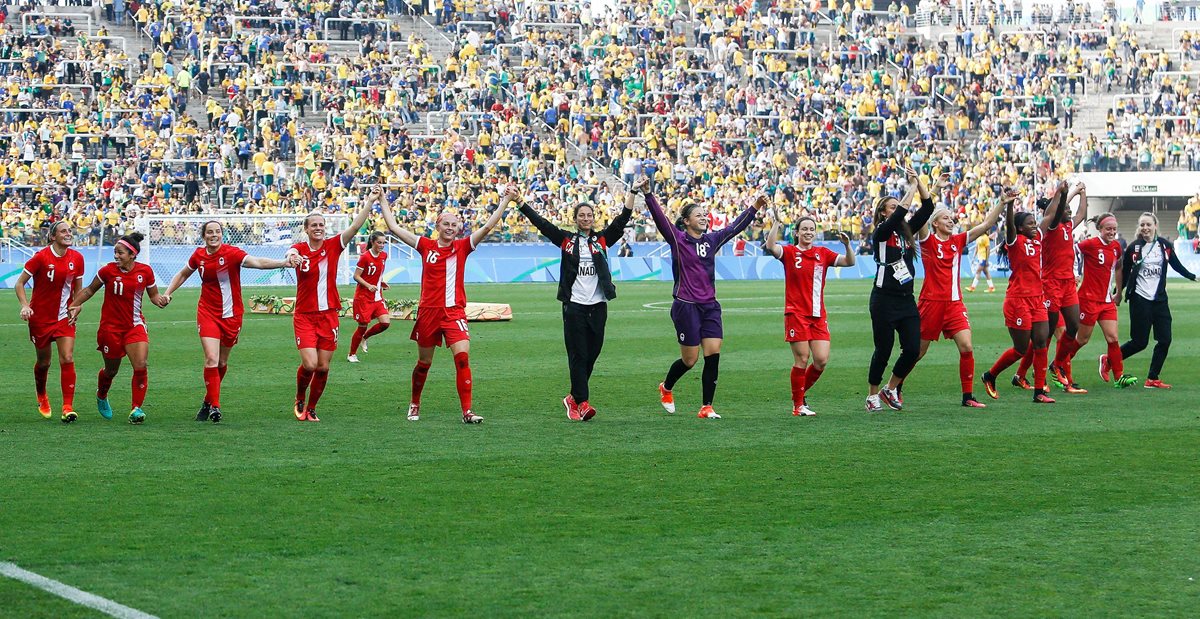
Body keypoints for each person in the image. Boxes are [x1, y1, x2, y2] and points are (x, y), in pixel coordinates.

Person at [379, 188, 513, 424]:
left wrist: (505, 201)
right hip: (429, 313)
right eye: (446, 224)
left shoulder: (462, 247)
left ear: (459, 228)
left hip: (453, 313)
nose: (450, 227)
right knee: (424, 363)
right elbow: (394, 228)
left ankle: (467, 411)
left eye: (454, 224)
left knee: (462, 359)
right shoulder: (425, 245)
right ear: (438, 226)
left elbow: (487, 227)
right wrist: (381, 199)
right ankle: (414, 403)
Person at [516, 179, 638, 421]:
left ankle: (572, 397)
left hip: (598, 305)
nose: (585, 218)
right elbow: (542, 224)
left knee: (592, 354)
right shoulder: (566, 240)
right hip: (574, 306)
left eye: (589, 215)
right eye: (581, 215)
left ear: (593, 218)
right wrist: (520, 202)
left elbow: (622, 219)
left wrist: (632, 191)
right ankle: (582, 403)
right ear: (575, 219)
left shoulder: (602, 240)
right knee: (578, 355)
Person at [645, 181, 764, 420]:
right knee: (690, 360)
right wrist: (648, 194)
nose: (704, 217)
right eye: (698, 215)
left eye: (705, 215)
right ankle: (666, 387)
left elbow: (733, 228)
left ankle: (706, 406)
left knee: (713, 353)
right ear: (687, 221)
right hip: (685, 306)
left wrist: (755, 207)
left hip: (710, 306)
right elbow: (661, 220)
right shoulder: (678, 240)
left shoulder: (711, 240)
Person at [158, 220, 298, 423]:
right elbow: (183, 274)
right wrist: (168, 293)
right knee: (211, 359)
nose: (214, 235)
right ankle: (216, 406)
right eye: (209, 232)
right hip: (207, 313)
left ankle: (208, 401)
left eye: (217, 232)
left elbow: (257, 263)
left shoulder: (232, 253)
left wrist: (283, 263)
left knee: (222, 362)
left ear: (222, 234)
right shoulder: (198, 256)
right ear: (203, 235)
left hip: (232, 315)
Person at [283, 196, 374, 422]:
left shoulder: (333, 246)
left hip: (329, 316)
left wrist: (370, 202)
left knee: (323, 367)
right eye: (313, 225)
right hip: (304, 316)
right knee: (310, 364)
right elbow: (290, 252)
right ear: (306, 229)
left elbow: (354, 227)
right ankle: (299, 397)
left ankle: (312, 408)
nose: (318, 228)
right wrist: (291, 256)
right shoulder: (300, 249)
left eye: (321, 225)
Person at [914, 192, 1009, 408]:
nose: (951, 220)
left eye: (951, 218)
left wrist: (1001, 203)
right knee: (917, 352)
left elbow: (986, 225)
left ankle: (968, 397)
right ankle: (895, 387)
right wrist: (924, 189)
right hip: (930, 304)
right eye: (946, 218)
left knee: (966, 347)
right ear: (935, 222)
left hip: (954, 304)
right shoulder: (927, 241)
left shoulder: (958, 241)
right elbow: (922, 215)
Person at [763, 210, 855, 416]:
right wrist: (777, 224)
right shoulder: (788, 252)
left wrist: (848, 245)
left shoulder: (823, 253)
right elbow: (770, 246)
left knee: (821, 360)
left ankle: (800, 394)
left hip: (818, 315)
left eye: (811, 229)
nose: (808, 232)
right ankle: (798, 406)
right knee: (802, 359)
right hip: (796, 313)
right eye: (804, 229)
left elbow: (850, 262)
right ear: (796, 232)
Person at [981, 182, 1066, 404]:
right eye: (1029, 223)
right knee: (1020, 348)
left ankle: (1040, 391)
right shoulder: (1015, 241)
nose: (1034, 225)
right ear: (1020, 228)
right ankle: (990, 375)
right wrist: (1009, 206)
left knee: (1040, 343)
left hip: (1038, 298)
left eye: (1034, 222)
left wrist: (1060, 193)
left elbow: (1051, 217)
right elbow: (1010, 227)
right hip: (1018, 299)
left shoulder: (1038, 238)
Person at [67, 232, 164, 424]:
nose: (116, 256)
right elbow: (88, 290)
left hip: (134, 326)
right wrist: (74, 305)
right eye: (115, 252)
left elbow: (154, 296)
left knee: (141, 365)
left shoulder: (145, 271)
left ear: (132, 254)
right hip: (110, 329)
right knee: (111, 371)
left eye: (120, 253)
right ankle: (102, 394)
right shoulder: (107, 271)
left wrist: (161, 300)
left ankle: (136, 408)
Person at [864, 168, 938, 412]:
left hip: (906, 300)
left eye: (898, 206)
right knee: (883, 350)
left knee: (913, 349)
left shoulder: (906, 232)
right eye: (892, 207)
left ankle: (890, 387)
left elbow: (927, 209)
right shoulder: (882, 232)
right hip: (884, 299)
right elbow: (901, 215)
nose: (897, 210)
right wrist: (912, 186)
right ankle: (872, 395)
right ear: (883, 213)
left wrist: (920, 183)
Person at [1018, 183, 1089, 394]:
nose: (1068, 213)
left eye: (1069, 210)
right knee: (1045, 334)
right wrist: (1067, 193)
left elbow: (1082, 213)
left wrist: (1082, 193)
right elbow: (1058, 211)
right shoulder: (1051, 227)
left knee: (1074, 326)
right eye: (1065, 209)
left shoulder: (1068, 227)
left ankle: (1056, 364)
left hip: (1068, 283)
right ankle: (1024, 373)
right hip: (1051, 284)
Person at [1055, 214, 1138, 388]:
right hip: (1088, 299)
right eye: (1108, 229)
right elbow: (1073, 251)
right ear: (1099, 229)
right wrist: (1075, 272)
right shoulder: (1090, 244)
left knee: (1113, 338)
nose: (1112, 232)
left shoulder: (1116, 247)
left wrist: (1118, 292)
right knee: (1082, 339)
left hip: (1106, 300)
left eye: (1114, 229)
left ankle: (1119, 376)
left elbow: (1119, 267)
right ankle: (1058, 365)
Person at [1117, 212, 1197, 388]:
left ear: (1155, 226)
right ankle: (1110, 360)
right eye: (1142, 225)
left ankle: (1152, 378)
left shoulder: (1164, 246)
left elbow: (1176, 264)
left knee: (1165, 339)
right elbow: (1124, 273)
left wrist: (1192, 276)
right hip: (1139, 300)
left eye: (1148, 224)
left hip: (1160, 300)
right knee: (1140, 342)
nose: (1145, 228)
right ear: (1139, 228)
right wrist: (1118, 292)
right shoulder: (1134, 248)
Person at [15, 221, 85, 422]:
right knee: (44, 362)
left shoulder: (77, 258)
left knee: (68, 358)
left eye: (70, 231)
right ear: (53, 237)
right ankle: (42, 396)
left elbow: (77, 289)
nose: (68, 233)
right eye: (63, 231)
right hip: (40, 320)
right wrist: (25, 305)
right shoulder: (40, 258)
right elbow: (20, 283)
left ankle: (67, 407)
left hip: (64, 317)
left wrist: (77, 305)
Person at [347, 229, 392, 364]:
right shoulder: (365, 257)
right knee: (362, 326)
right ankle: (351, 354)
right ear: (372, 242)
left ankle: (365, 337)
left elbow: (377, 273)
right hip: (364, 297)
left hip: (377, 296)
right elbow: (356, 276)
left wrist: (381, 282)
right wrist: (368, 285)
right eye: (379, 242)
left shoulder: (384, 255)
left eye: (384, 243)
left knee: (385, 323)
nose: (382, 245)